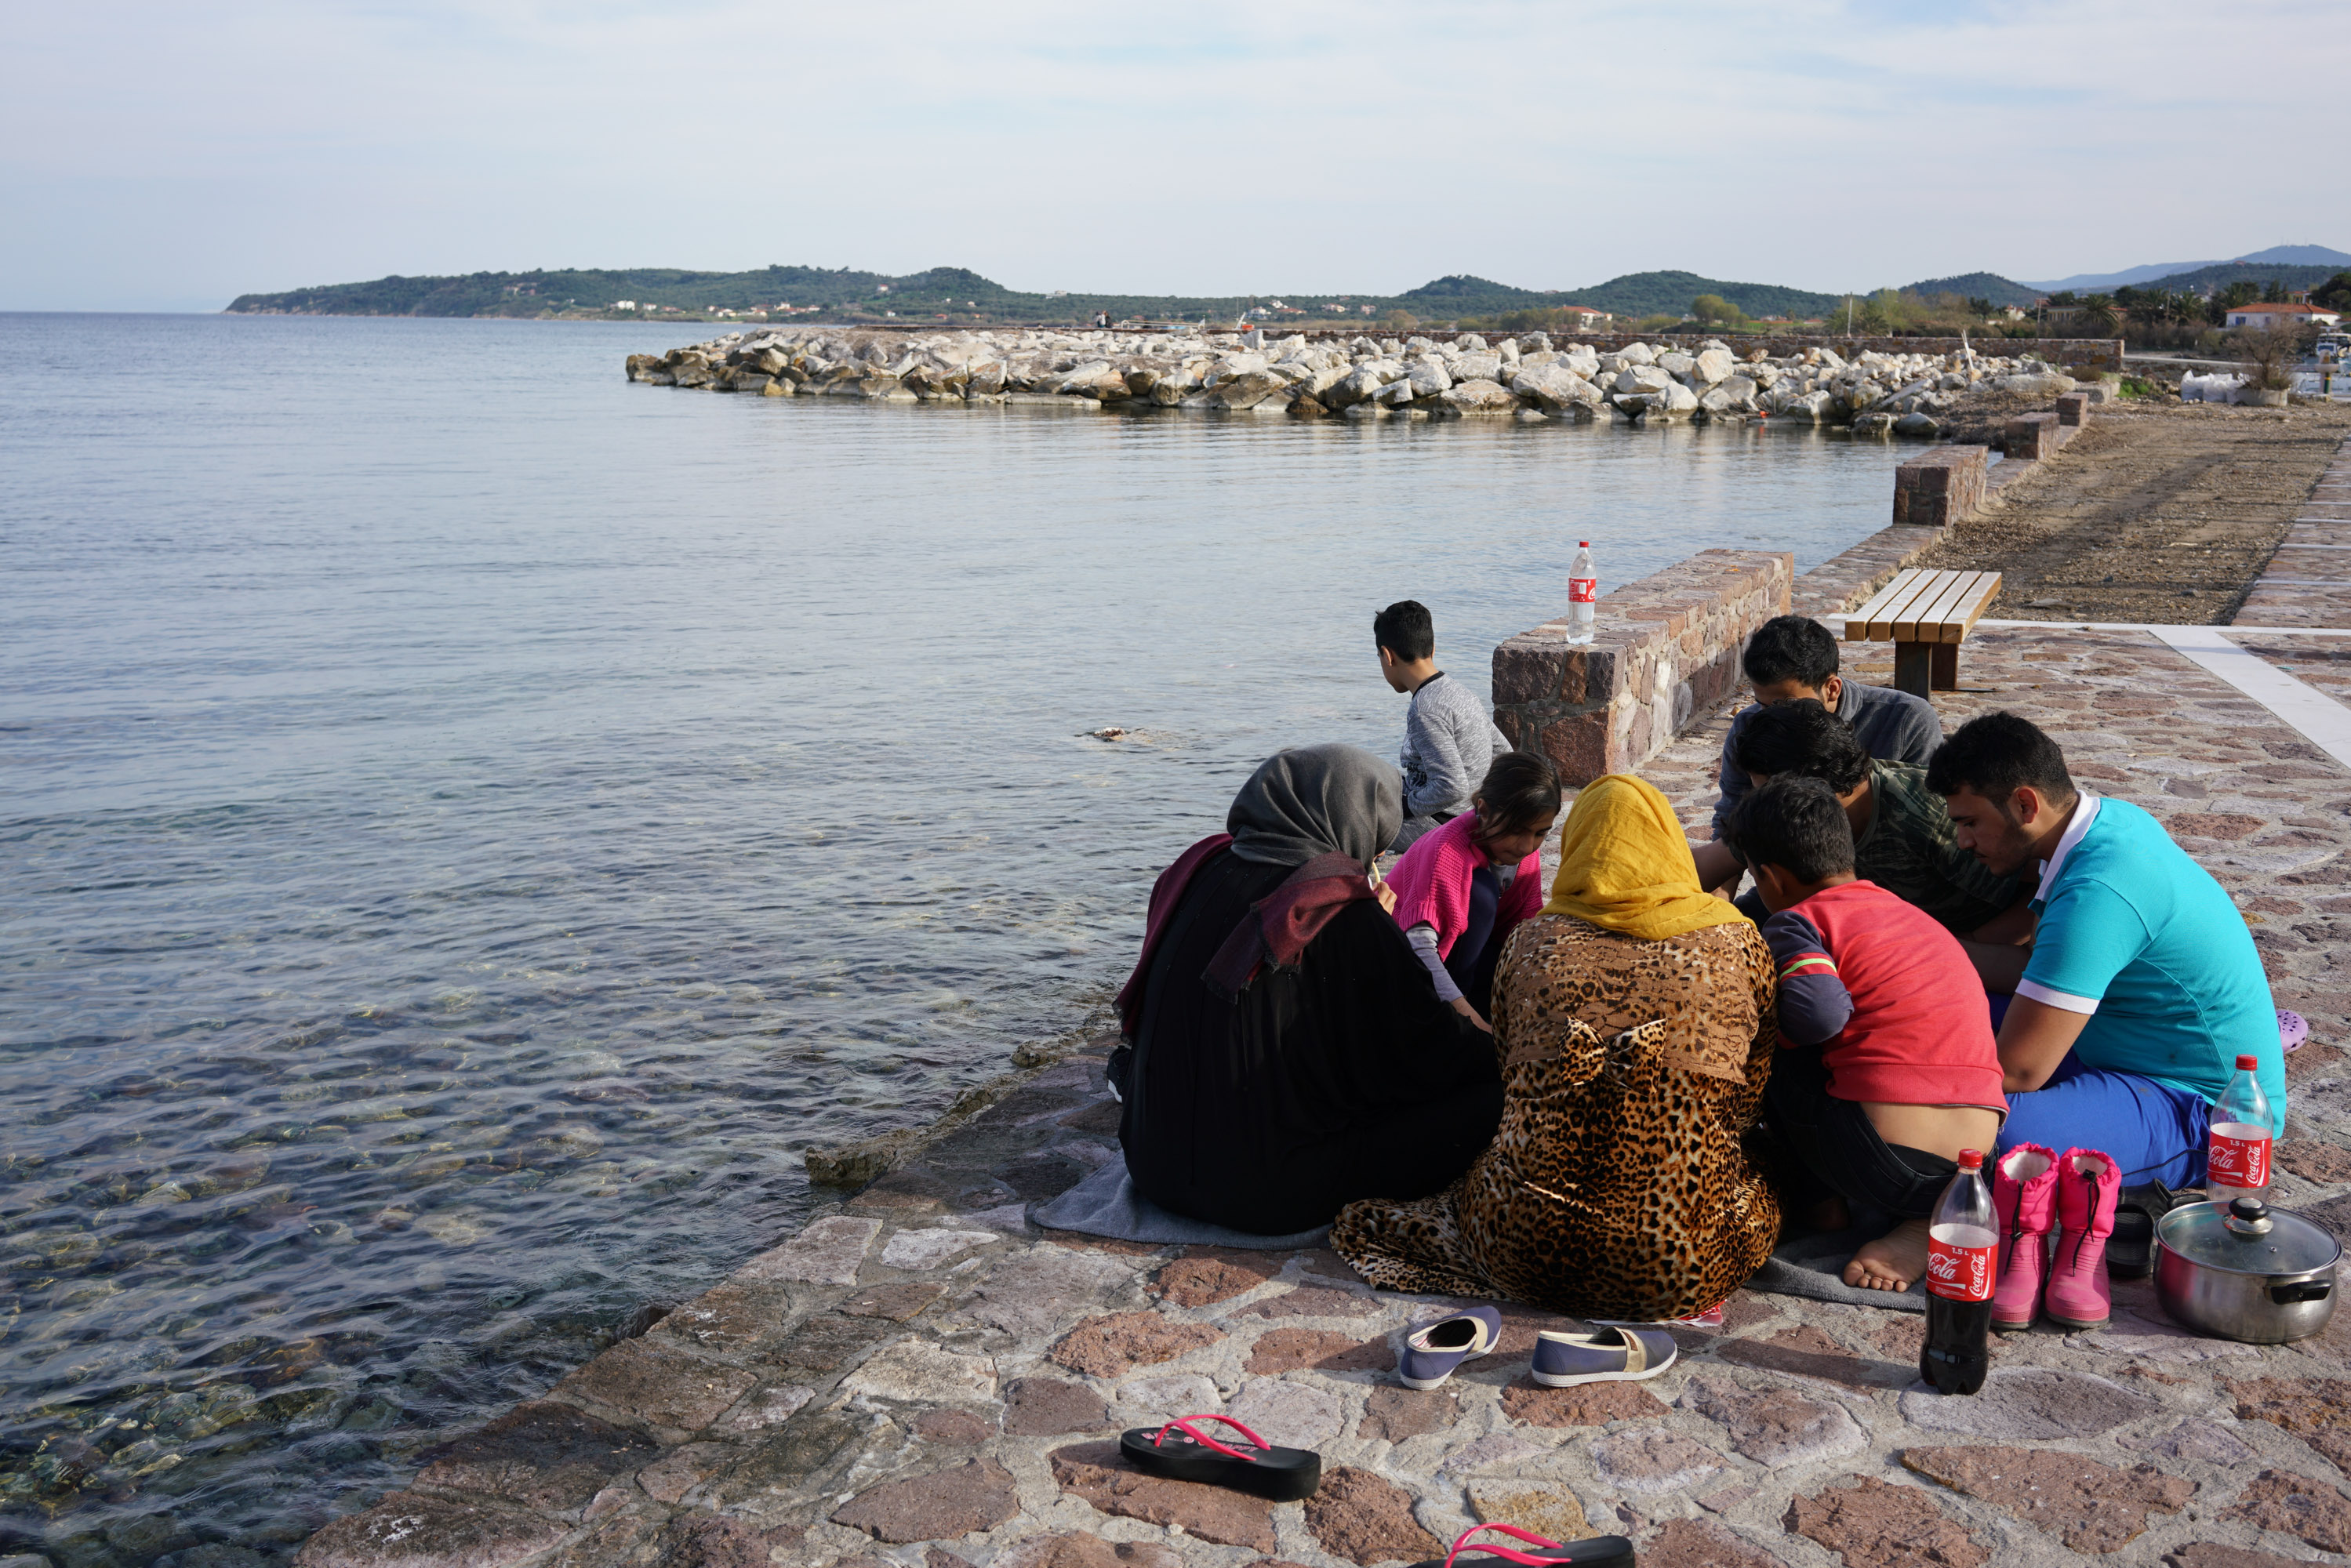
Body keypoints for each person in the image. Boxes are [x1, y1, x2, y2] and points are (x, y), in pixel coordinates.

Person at [1332, 775, 1782, 1321]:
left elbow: (1511, 1081)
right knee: (1766, 1172)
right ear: (1667, 847)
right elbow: (1746, 1106)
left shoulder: (1528, 945)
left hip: (1517, 1246)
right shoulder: (1736, 945)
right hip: (1681, 1265)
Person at [1114, 743, 1503, 1236]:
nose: (1377, 852)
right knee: (1493, 1100)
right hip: (1268, 1190)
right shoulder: (1336, 911)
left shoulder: (1198, 872)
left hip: (1153, 1163)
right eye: (1377, 832)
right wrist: (1502, 1053)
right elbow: (1425, 1051)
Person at [1929, 713, 2285, 1187]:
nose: (1963, 841)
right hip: (2113, 1043)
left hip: (2204, 1109)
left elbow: (2018, 1069)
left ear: (2025, 804)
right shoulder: (2100, 823)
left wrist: (1897, 1076)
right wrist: (1920, 955)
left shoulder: (2098, 887)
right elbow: (2027, 968)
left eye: (1971, 822)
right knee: (1938, 1009)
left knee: (1992, 1138)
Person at [1728, 776, 2008, 1292]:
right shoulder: (1911, 916)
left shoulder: (1796, 921)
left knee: (1772, 1047)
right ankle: (1929, 1220)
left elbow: (1820, 1016)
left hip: (1887, 1164)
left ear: (1769, 878)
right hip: (1974, 1164)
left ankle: (1822, 1206)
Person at [1721, 700, 2028, 935]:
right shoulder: (1792, 812)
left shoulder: (1929, 816)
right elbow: (1713, 862)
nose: (1760, 800)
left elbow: (2028, 898)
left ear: (1811, 785)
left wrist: (1958, 947)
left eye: (1766, 790)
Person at [1694, 615, 1941, 894]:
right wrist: (1718, 910)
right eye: (1763, 705)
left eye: (1788, 704)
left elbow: (1932, 828)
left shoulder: (1908, 720)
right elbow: (1734, 825)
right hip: (1797, 885)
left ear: (1831, 688)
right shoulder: (1750, 727)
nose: (1774, 718)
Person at [1386, 751, 1563, 1030]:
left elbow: (1523, 932)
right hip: (1405, 968)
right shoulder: (1446, 851)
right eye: (1516, 830)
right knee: (1482, 893)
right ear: (1482, 810)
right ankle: (1454, 1023)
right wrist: (1475, 1025)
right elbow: (1419, 948)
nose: (1526, 847)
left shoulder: (1523, 854)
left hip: (1467, 961)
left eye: (1540, 833)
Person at [1374, 600, 1510, 853]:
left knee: (1352, 811)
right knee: (1374, 780)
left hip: (1440, 826)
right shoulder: (1460, 692)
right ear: (1432, 649)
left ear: (1388, 655)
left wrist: (1402, 808)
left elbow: (1452, 786)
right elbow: (1503, 751)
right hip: (1468, 817)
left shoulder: (1424, 709)